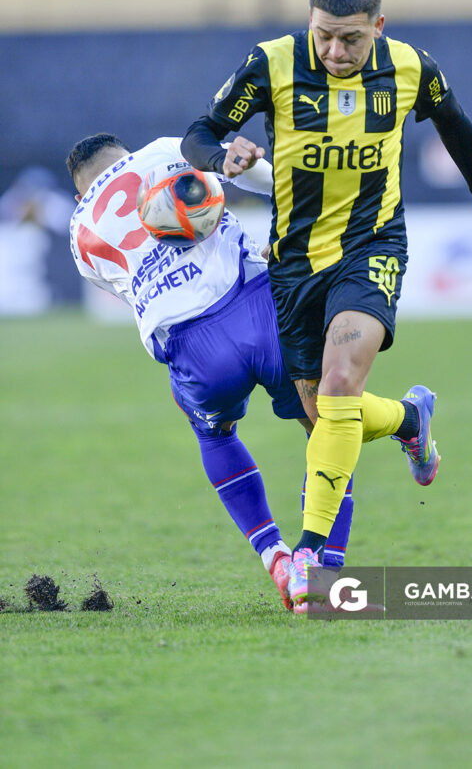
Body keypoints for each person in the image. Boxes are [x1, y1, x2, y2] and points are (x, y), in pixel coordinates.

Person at [181, 0, 472, 610]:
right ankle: (408, 418)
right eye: (324, 36)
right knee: (323, 419)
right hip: (293, 265)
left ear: (378, 28)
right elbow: (200, 130)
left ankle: (310, 558)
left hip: (372, 246)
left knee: (340, 385)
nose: (335, 52)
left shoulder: (412, 67)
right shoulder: (271, 64)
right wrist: (219, 156)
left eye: (351, 40)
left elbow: (455, 123)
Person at [67, 133, 356, 613]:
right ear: (127, 154)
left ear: (80, 194)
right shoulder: (162, 150)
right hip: (257, 301)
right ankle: (327, 573)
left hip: (191, 344)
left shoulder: (79, 231)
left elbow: (131, 291)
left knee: (214, 434)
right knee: (327, 427)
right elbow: (251, 171)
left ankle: (275, 557)